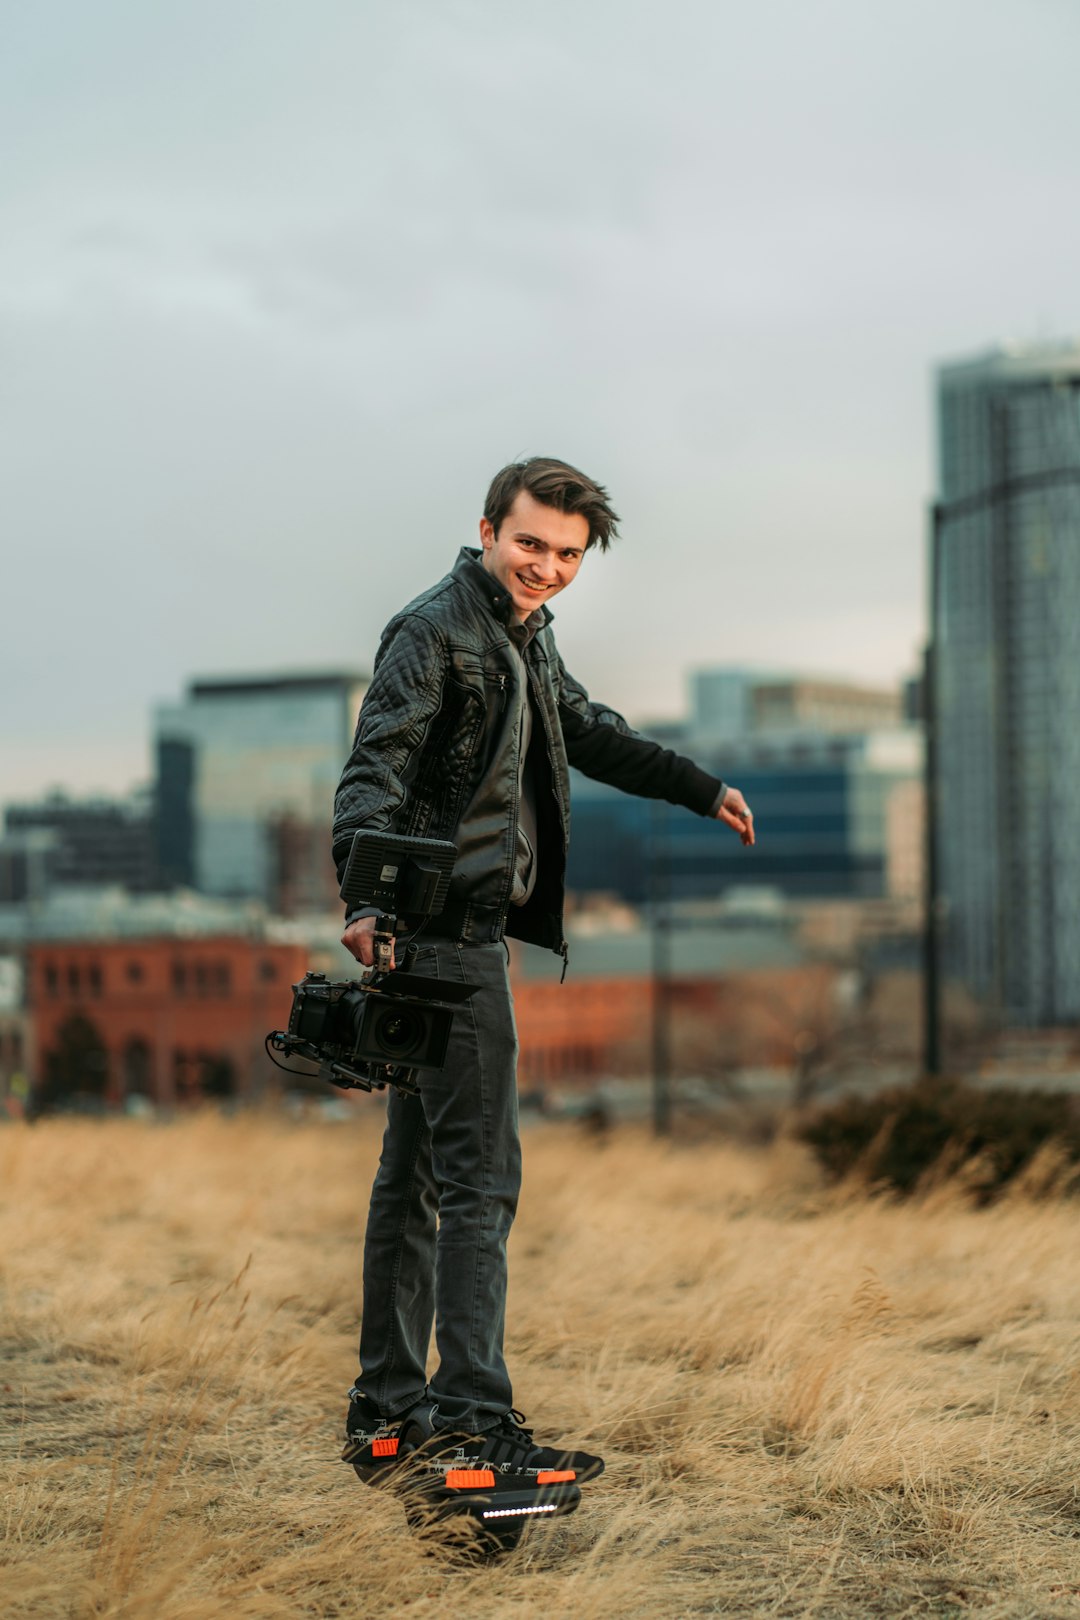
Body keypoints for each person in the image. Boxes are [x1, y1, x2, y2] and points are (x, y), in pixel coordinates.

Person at [332, 456, 754, 1482]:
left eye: (567, 555)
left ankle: (386, 1414)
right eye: (531, 544)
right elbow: (372, 775)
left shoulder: (523, 635)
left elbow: (585, 733)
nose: (548, 567)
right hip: (442, 931)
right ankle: (471, 1418)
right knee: (481, 1176)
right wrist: (367, 901)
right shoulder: (433, 631)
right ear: (487, 529)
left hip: (451, 926)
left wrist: (697, 787)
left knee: (418, 1173)